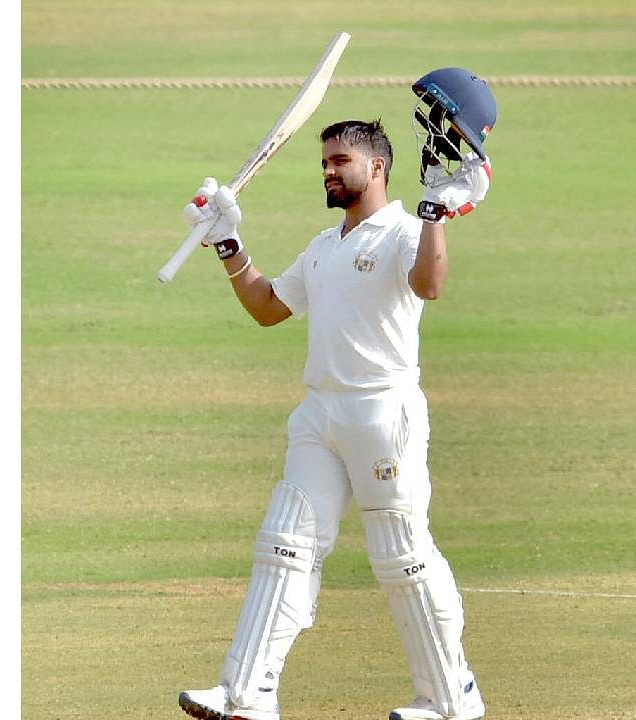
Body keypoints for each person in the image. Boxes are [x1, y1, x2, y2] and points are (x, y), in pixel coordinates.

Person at [177, 70, 497, 720]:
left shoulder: (407, 230)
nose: (327, 170)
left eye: (339, 160)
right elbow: (269, 308)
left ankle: (449, 695)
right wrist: (227, 243)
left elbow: (429, 283)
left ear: (376, 166)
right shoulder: (325, 246)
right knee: (283, 545)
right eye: (323, 161)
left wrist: (436, 209)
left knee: (402, 557)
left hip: (383, 412)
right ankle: (248, 694)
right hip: (319, 413)